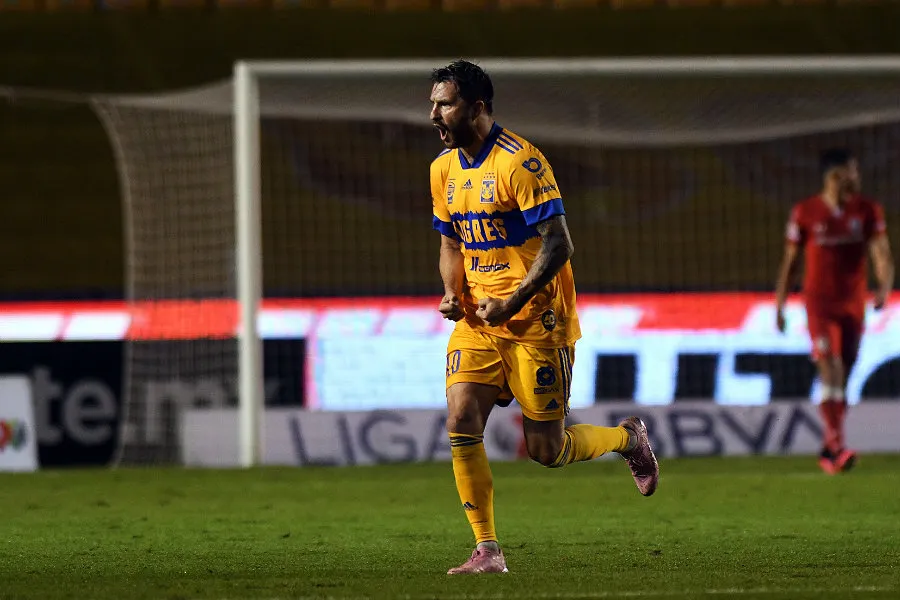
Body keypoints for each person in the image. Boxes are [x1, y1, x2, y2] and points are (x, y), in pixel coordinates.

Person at [429, 59, 660, 575]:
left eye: (445, 104)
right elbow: (450, 242)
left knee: (546, 450)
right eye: (433, 105)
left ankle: (628, 438)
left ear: (477, 107)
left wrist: (511, 303)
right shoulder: (442, 169)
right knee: (461, 419)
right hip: (479, 320)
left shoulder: (521, 164)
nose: (434, 115)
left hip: (537, 320)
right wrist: (451, 292)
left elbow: (559, 244)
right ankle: (487, 550)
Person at [775, 148, 894, 475]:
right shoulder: (805, 212)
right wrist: (780, 303)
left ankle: (830, 447)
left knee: (845, 375)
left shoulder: (868, 210)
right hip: (819, 305)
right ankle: (837, 448)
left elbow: (882, 254)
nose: (856, 177)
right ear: (834, 177)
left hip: (853, 305)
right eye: (850, 172)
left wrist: (884, 288)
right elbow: (791, 262)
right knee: (832, 370)